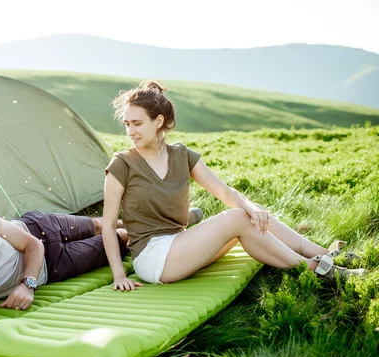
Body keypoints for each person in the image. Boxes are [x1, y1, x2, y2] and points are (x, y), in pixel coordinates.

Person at [102, 81, 368, 291]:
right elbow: (110, 225)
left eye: (137, 123)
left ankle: (328, 254)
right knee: (241, 216)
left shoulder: (182, 156)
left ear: (158, 121)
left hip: (182, 244)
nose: (130, 131)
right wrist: (119, 275)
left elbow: (225, 192)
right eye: (127, 124)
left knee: (251, 213)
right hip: (153, 257)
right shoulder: (122, 164)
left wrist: (253, 207)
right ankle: (319, 270)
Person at [0, 197, 129, 335]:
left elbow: (31, 243)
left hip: (37, 228)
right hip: (54, 264)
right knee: (121, 238)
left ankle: (138, 219)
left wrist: (28, 283)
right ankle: (145, 230)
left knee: (99, 225)